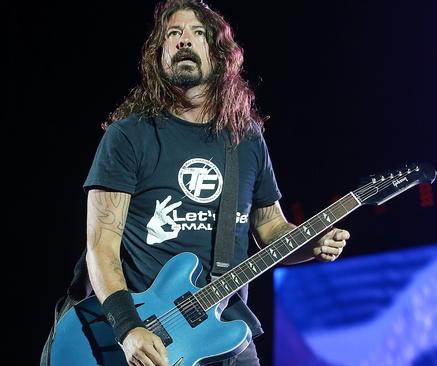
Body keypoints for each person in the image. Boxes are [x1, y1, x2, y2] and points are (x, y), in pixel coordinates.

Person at [47, 1, 350, 365]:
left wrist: (310, 244)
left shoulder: (246, 140)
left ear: (218, 54)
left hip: (223, 328)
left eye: (197, 33)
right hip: (142, 329)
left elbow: (271, 228)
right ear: (159, 57)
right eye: (173, 34)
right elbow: (102, 248)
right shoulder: (129, 136)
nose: (183, 41)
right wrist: (128, 329)